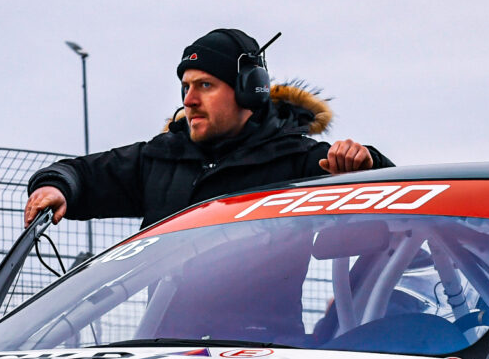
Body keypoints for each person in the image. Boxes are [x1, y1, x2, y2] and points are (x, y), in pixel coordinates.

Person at [22, 29, 392, 229]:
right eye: (186, 87)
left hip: (266, 353)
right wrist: (55, 187)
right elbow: (78, 174)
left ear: (250, 90)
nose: (190, 99)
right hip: (162, 347)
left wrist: (364, 165)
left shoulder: (299, 161)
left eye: (205, 85)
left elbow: (395, 197)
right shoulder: (160, 157)